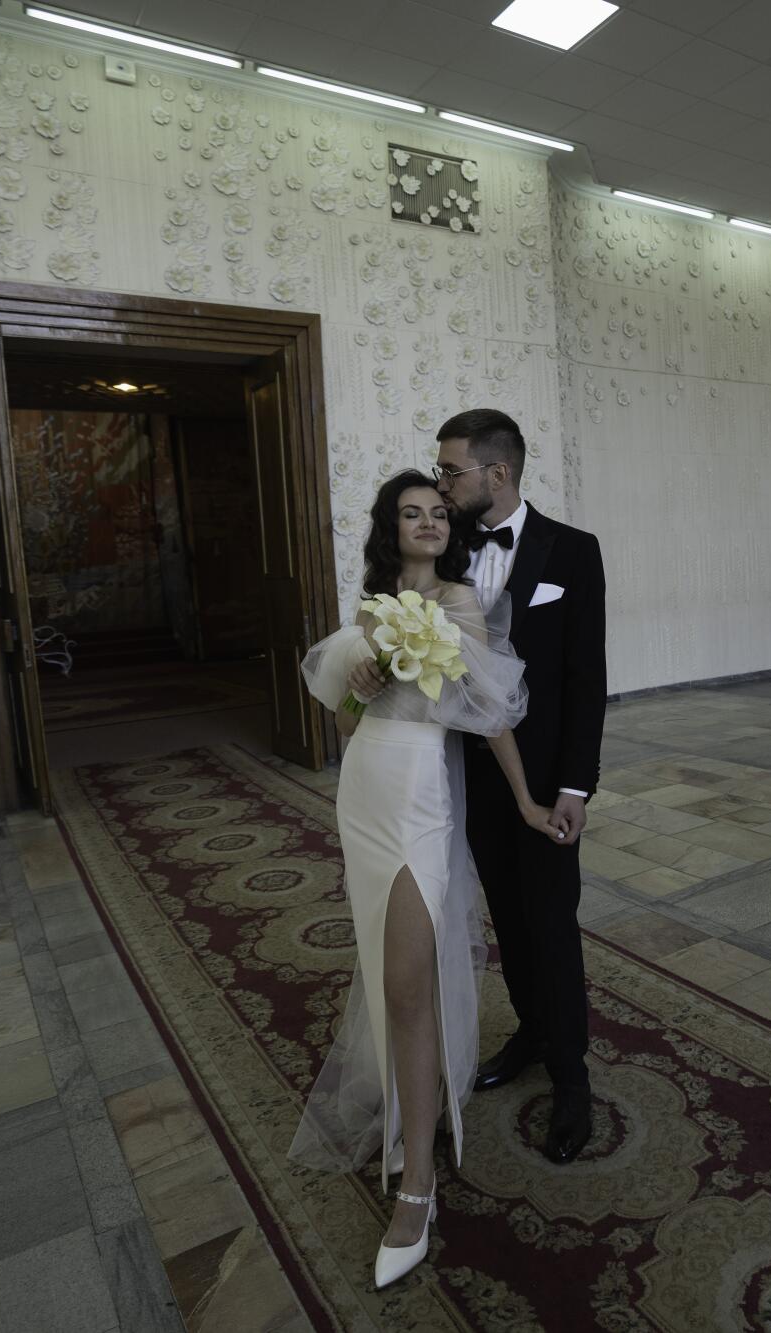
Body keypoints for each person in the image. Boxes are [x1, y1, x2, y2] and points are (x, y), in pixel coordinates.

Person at [289, 471, 556, 1290]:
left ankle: (418, 1180)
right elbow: (342, 722)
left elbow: (491, 711)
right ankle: (412, 1113)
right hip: (364, 791)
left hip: (420, 800)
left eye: (440, 513)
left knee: (409, 980)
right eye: (414, 513)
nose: (430, 522)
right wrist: (361, 686)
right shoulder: (371, 606)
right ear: (391, 527)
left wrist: (525, 797)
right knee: (384, 969)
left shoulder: (463, 603)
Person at [351, 408, 609, 1164]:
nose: (440, 483)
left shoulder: (573, 550)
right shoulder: (443, 550)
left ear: (497, 473)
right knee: (504, 917)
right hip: (457, 779)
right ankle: (529, 1031)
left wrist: (574, 786)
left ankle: (571, 1073)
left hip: (540, 783)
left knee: (552, 922)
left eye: (450, 471)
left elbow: (585, 678)